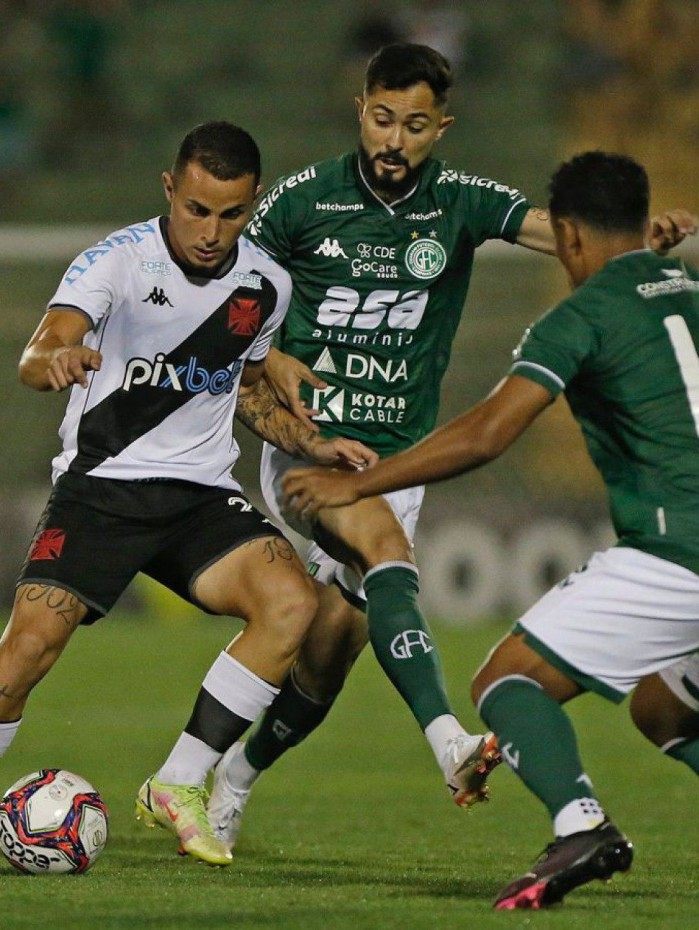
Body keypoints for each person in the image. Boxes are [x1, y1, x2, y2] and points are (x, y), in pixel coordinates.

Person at [202, 43, 695, 852]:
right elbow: (237, 288)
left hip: (397, 459)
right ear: (361, 110)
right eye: (383, 118)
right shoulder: (301, 203)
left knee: (331, 652)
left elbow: (557, 232)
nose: (395, 140)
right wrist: (269, 363)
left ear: (442, 127)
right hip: (317, 451)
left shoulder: (459, 202)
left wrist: (638, 236)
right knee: (389, 556)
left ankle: (235, 776)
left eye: (416, 125)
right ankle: (449, 740)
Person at [281, 151, 699, 909]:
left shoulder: (581, 317)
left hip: (678, 554)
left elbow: (485, 435)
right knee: (662, 706)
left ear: (568, 236)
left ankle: (581, 826)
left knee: (505, 682)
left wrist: (358, 482)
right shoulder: (691, 293)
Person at [0, 120, 376, 868]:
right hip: (101, 490)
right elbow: (39, 351)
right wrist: (58, 359)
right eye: (197, 209)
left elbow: (245, 387)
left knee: (293, 603)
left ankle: (177, 782)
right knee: (21, 661)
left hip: (199, 494)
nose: (211, 231)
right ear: (170, 189)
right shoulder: (114, 262)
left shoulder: (267, 284)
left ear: (252, 204)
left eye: (231, 213)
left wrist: (310, 443)